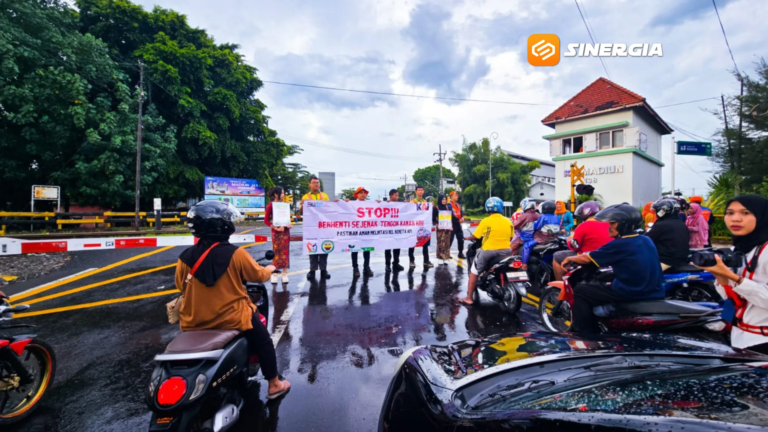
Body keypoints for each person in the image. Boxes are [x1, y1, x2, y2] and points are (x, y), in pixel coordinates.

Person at [176, 200, 290, 398]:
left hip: (194, 320)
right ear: (222, 225)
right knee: (264, 342)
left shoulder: (185, 256)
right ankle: (273, 384)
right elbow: (259, 276)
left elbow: (179, 285)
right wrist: (270, 268)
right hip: (232, 317)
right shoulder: (235, 254)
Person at [562, 203, 663, 334]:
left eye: (613, 223)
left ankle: (585, 333)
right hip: (654, 290)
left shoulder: (619, 244)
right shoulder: (645, 240)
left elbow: (587, 258)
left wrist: (570, 259)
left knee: (582, 291)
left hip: (631, 291)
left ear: (624, 224)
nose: (609, 227)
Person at [693, 195, 768, 354]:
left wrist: (736, 279)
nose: (736, 219)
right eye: (730, 213)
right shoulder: (739, 249)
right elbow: (731, 298)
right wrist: (721, 276)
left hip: (762, 340)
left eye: (746, 213)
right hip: (740, 337)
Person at [459, 197, 514, 305]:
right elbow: (511, 237)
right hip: (507, 251)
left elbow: (476, 235)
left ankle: (469, 298)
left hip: (489, 251)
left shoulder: (486, 221)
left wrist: (466, 238)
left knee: (474, 271)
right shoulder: (508, 221)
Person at [552, 201, 612, 281]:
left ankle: (559, 285)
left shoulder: (584, 225)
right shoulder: (609, 224)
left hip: (588, 256)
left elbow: (575, 246)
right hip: (607, 256)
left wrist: (569, 240)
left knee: (557, 256)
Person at [645, 198, 690, 271]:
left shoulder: (662, 225)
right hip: (681, 258)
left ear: (662, 211)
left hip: (667, 260)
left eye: (656, 210)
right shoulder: (680, 223)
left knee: (641, 272)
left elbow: (646, 239)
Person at [301, 175, 331, 280]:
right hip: (311, 227)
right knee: (312, 248)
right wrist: (301, 206)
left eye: (318, 182)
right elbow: (302, 213)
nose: (316, 184)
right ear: (309, 184)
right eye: (314, 182)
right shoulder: (305, 197)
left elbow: (330, 209)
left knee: (324, 247)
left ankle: (324, 270)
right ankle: (312, 271)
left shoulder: (325, 196)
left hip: (323, 226)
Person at [264, 186, 291, 284]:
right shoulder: (271, 206)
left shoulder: (285, 205)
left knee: (285, 253)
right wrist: (275, 227)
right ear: (276, 194)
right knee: (277, 252)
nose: (283, 195)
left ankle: (284, 273)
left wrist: (289, 225)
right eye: (282, 193)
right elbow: (266, 220)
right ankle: (274, 273)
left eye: (284, 193)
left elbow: (287, 219)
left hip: (285, 232)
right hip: (276, 233)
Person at [522, 200, 560, 268]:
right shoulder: (556, 216)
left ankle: (524, 265)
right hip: (553, 238)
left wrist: (533, 223)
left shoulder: (543, 216)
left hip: (542, 239)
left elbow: (537, 226)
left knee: (526, 246)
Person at [408, 185, 434, 268]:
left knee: (425, 243)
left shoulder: (425, 203)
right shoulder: (412, 202)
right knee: (412, 243)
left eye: (422, 190)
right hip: (414, 226)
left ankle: (426, 260)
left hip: (423, 226)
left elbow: (429, 213)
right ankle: (411, 261)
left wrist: (431, 206)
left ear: (423, 191)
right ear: (416, 192)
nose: (420, 191)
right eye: (418, 190)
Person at [351, 187, 374, 278]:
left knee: (367, 250)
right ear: (357, 194)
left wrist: (382, 203)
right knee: (354, 250)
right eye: (360, 192)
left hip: (366, 231)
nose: (363, 194)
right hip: (355, 231)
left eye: (364, 192)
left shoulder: (370, 204)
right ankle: (355, 268)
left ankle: (366, 267)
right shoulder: (352, 204)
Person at [385, 189, 404, 273]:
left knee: (397, 247)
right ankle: (387, 265)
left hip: (397, 229)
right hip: (388, 230)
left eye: (397, 195)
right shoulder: (386, 204)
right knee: (388, 248)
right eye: (395, 195)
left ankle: (396, 263)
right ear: (391, 196)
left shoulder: (400, 205)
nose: (397, 197)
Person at [448, 191, 466, 259]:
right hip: (452, 224)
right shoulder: (449, 205)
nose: (457, 197)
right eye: (455, 195)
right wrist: (458, 220)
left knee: (461, 239)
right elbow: (450, 215)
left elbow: (461, 213)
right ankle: (447, 253)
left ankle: (460, 253)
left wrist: (462, 218)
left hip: (458, 225)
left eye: (457, 195)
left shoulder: (458, 205)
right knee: (450, 239)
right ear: (451, 197)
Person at [435, 194, 452, 262]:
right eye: (443, 199)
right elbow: (433, 219)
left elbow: (451, 218)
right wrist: (437, 226)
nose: (444, 201)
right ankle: (440, 257)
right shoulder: (436, 208)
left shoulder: (448, 208)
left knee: (447, 243)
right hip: (440, 229)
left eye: (445, 199)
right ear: (440, 200)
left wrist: (451, 226)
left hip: (447, 229)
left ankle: (446, 257)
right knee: (440, 243)